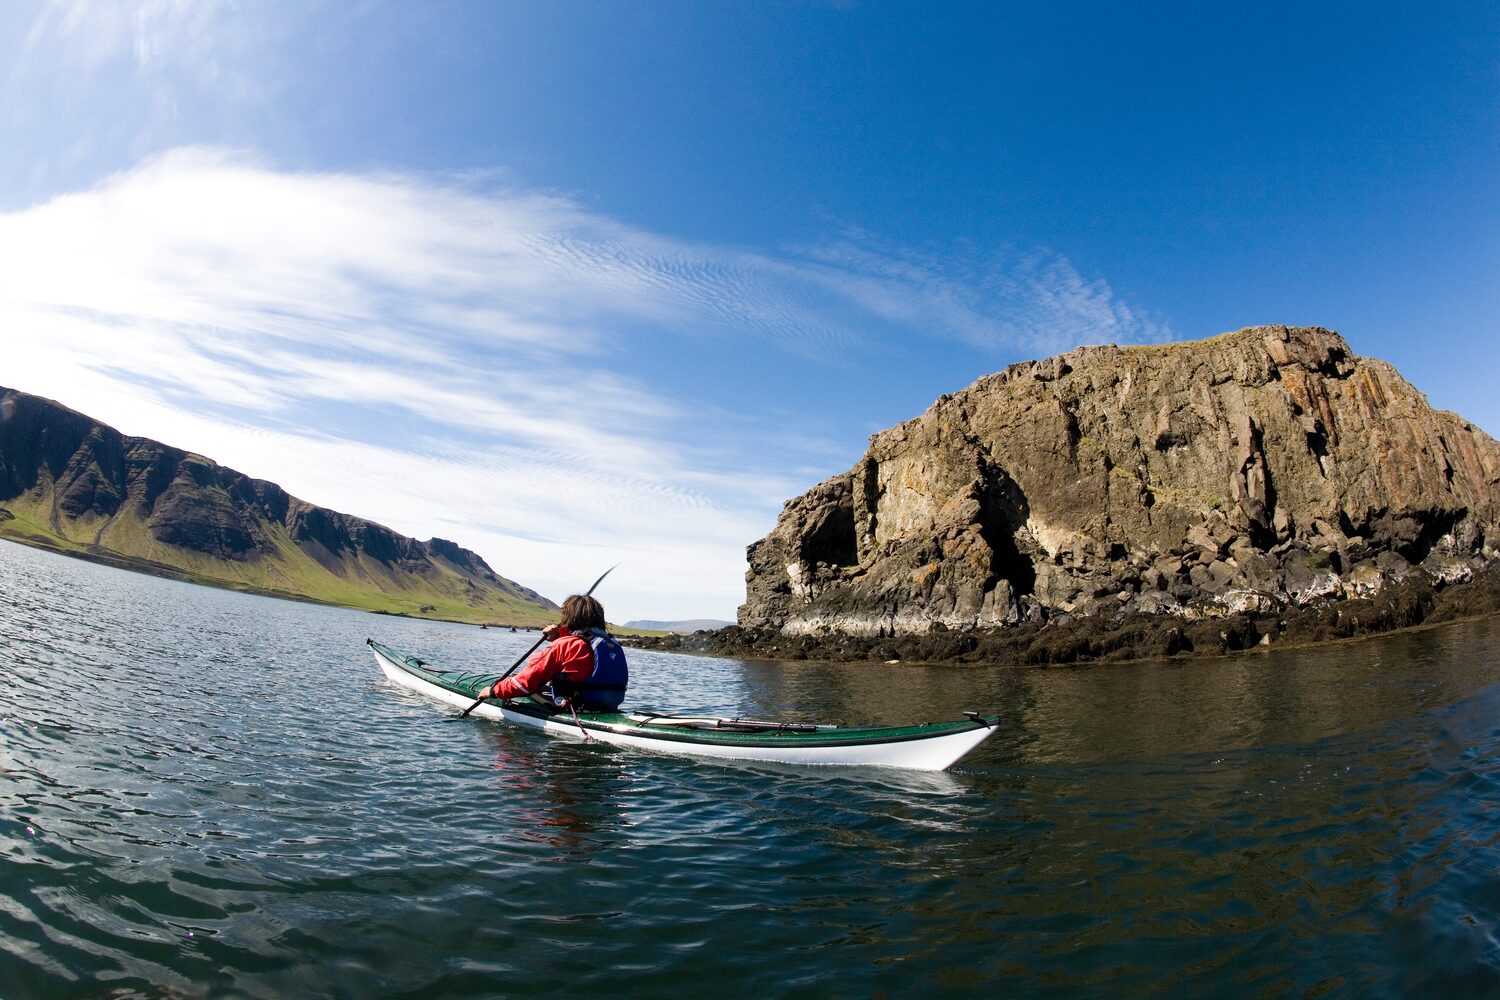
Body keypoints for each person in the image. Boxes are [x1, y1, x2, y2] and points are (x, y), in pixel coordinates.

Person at [476, 594, 629, 710]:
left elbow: (526, 682)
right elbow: (582, 646)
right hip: (607, 707)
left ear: (570, 618)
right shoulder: (612, 644)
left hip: (574, 707)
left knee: (523, 684)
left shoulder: (565, 645)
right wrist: (560, 635)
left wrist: (494, 691)